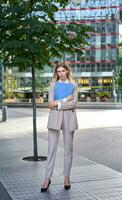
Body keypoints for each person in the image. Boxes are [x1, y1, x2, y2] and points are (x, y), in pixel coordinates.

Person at [41, 62, 78, 192]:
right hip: (54, 119)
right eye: (58, 71)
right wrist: (64, 100)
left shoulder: (74, 85)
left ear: (67, 71)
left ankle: (67, 177)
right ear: (56, 73)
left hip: (69, 119)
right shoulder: (53, 85)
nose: (61, 73)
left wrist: (59, 104)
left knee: (68, 149)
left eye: (63, 71)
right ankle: (47, 178)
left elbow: (73, 104)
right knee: (51, 149)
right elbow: (50, 104)